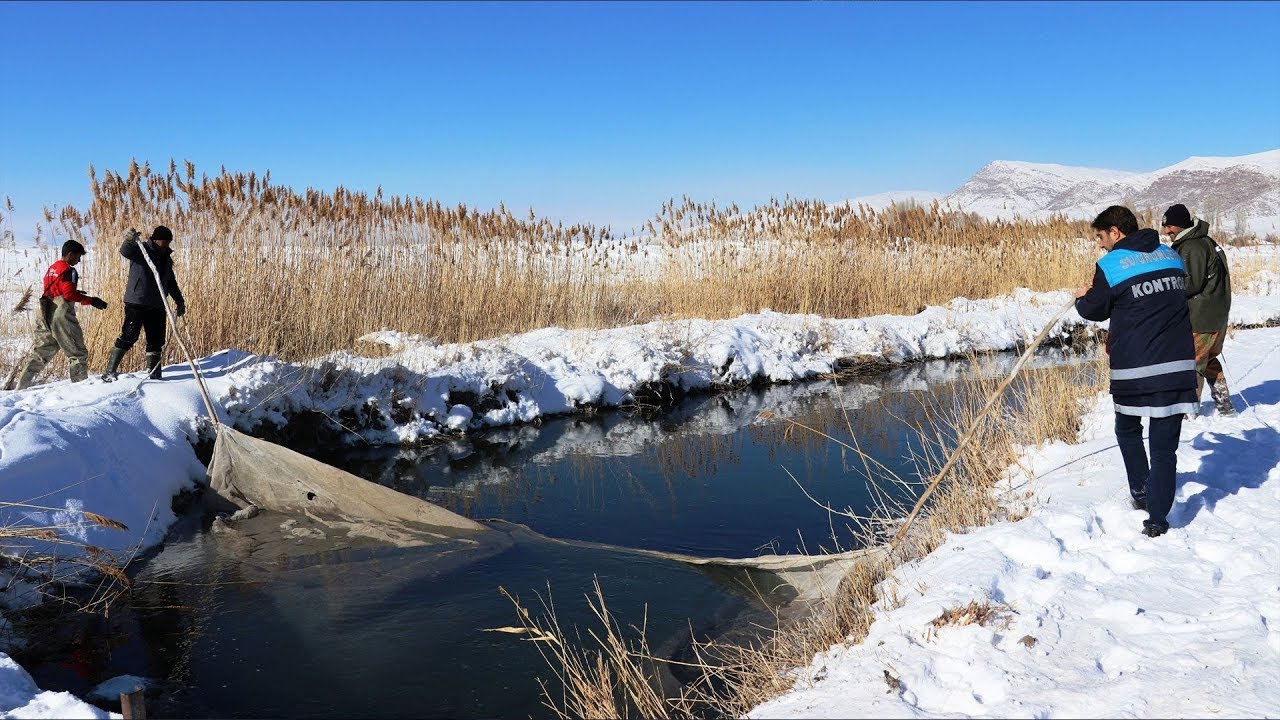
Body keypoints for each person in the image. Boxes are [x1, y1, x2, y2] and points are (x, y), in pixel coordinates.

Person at [1074, 205, 1198, 538]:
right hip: (1179, 366)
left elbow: (1097, 310)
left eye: (1101, 236)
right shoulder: (1171, 256)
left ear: (1115, 231)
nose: (1100, 244)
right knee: (1164, 446)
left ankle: (1141, 492)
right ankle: (1157, 517)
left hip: (1136, 369)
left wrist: (1081, 299)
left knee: (1128, 428)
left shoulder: (1110, 264)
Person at [1160, 203, 1235, 415]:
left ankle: (1189, 412)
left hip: (1201, 317)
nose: (1167, 231)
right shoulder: (1205, 242)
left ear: (1182, 226)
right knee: (1208, 361)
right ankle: (1225, 407)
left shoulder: (1192, 246)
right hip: (1215, 316)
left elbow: (1189, 284)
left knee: (1191, 363)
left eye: (1170, 226)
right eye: (1165, 227)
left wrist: (1165, 290)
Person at [15, 240, 109, 389]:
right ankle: (80, 389)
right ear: (70, 255)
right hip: (61, 314)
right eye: (78, 257)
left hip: (44, 311)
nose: (79, 260)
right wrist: (91, 300)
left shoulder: (52, 268)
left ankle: (20, 387)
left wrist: (75, 293)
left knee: (41, 352)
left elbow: (55, 290)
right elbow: (69, 294)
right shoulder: (69, 271)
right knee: (77, 353)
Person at [101, 225, 186, 382]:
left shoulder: (166, 257)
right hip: (137, 301)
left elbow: (171, 282)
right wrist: (129, 239)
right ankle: (109, 371)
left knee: (156, 340)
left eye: (169, 241)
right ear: (155, 240)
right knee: (130, 335)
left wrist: (179, 301)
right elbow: (125, 251)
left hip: (158, 304)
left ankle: (154, 374)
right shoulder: (141, 249)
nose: (167, 244)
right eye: (165, 241)